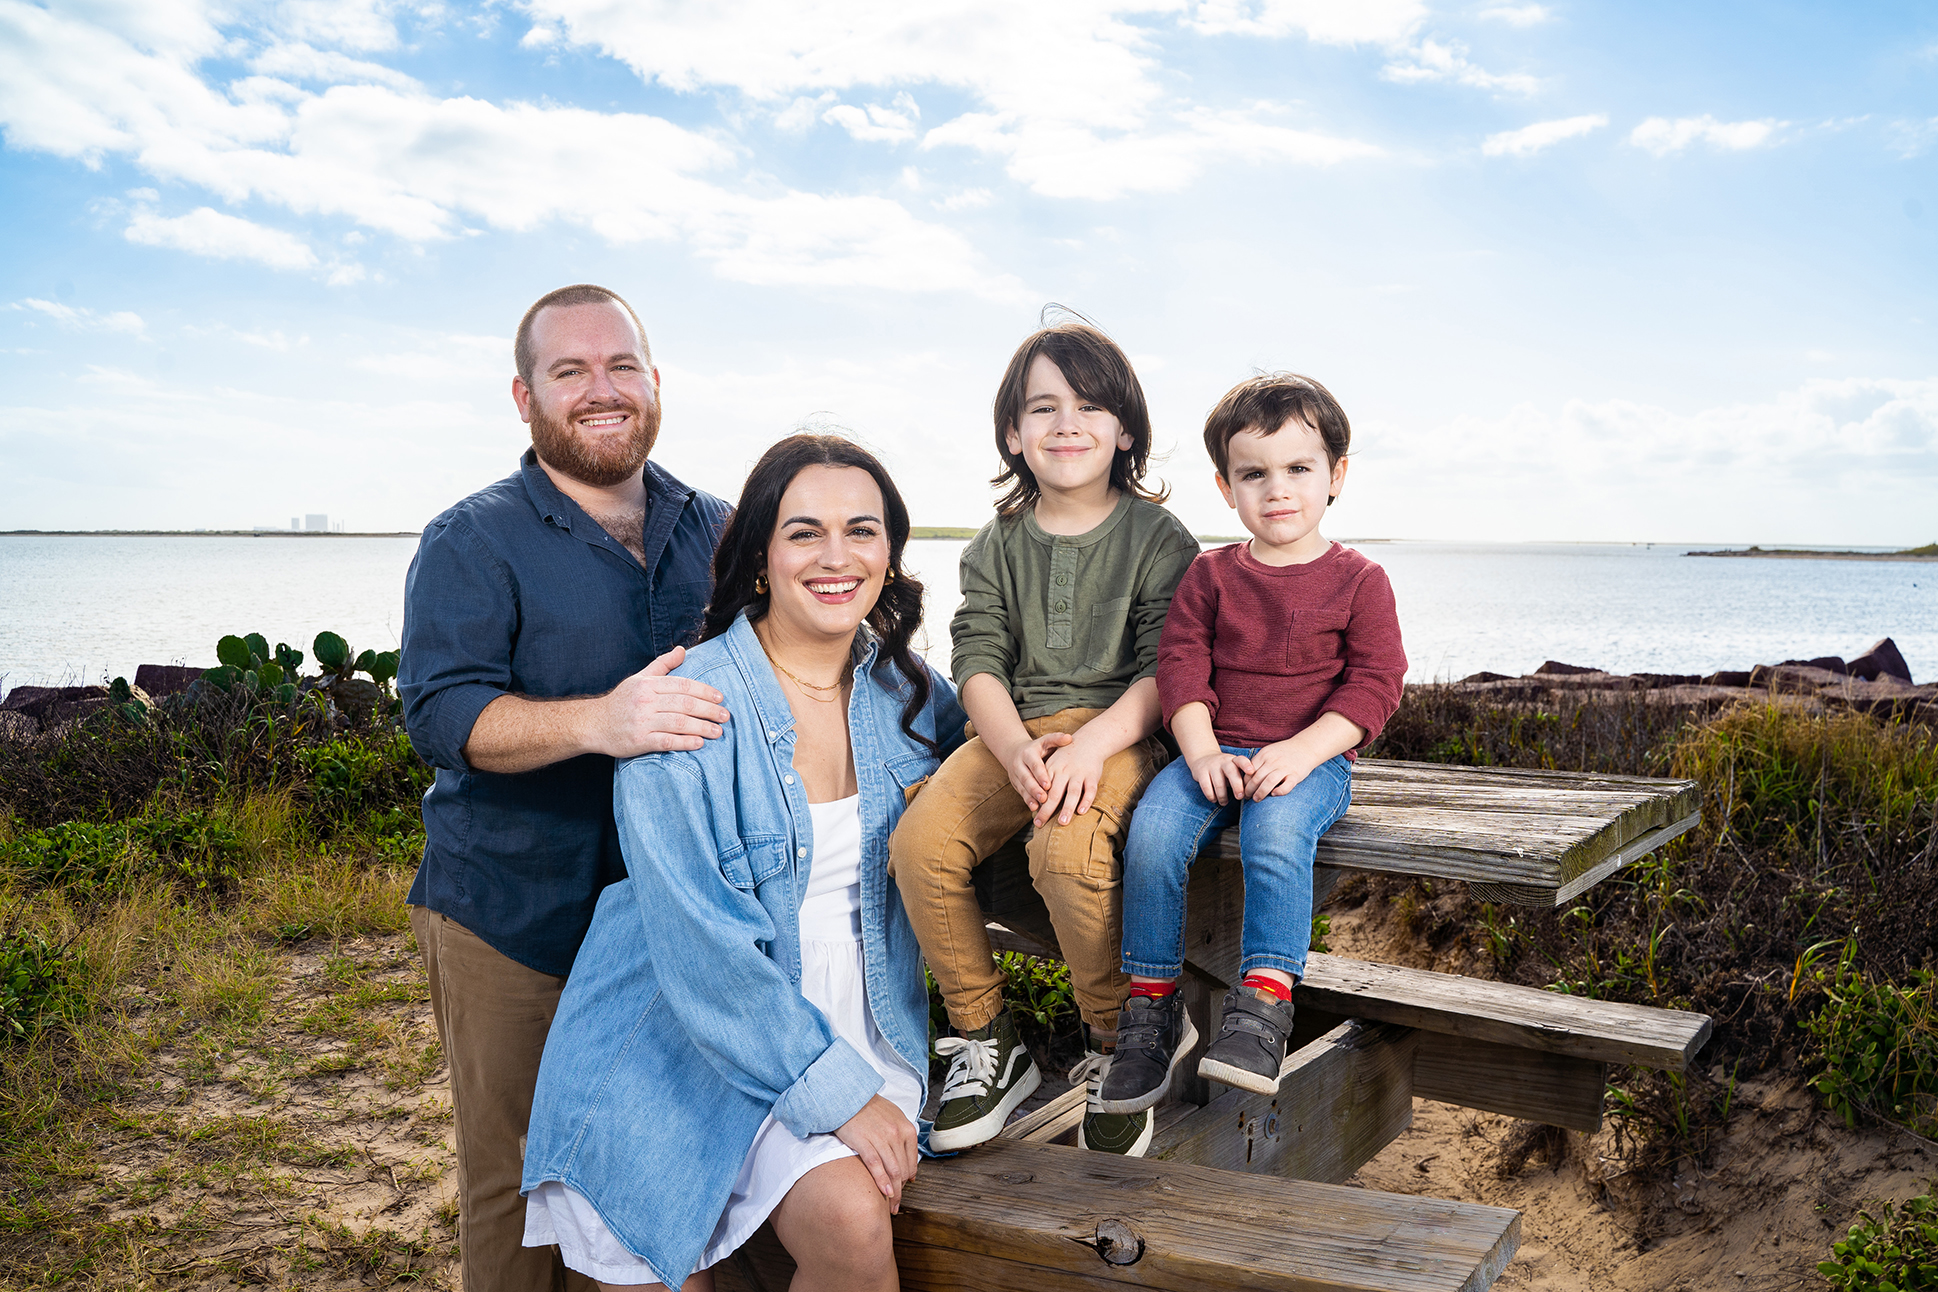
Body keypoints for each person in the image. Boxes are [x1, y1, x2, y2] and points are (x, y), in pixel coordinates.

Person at [520, 434, 965, 1291]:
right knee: (838, 1216)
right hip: (687, 1034)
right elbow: (702, 947)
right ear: (760, 555)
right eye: (804, 533)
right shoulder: (685, 707)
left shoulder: (911, 695)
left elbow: (983, 809)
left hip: (867, 1016)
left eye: (862, 531)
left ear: (890, 553)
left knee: (851, 1222)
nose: (837, 557)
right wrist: (833, 1092)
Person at [397, 284, 732, 1292]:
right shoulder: (472, 537)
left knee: (636, 1161)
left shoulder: (720, 526)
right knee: (514, 1175)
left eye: (622, 364)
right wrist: (598, 721)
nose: (602, 389)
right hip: (511, 911)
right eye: (571, 370)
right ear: (525, 395)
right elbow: (442, 716)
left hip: (668, 916)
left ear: (655, 381)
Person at [888, 317, 1200, 1157]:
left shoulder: (1158, 540)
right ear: (1013, 434)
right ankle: (989, 1036)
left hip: (1122, 735)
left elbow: (1165, 669)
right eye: (1044, 407)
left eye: (1092, 406)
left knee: (1062, 853)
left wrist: (1094, 745)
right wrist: (1015, 747)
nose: (1068, 423)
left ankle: (1122, 1042)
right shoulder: (994, 547)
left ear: (1125, 429)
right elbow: (978, 660)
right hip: (1014, 735)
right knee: (920, 841)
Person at [1097, 373, 1407, 1114]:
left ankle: (1265, 1002)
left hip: (1312, 760)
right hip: (1213, 748)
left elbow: (1375, 684)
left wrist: (1302, 752)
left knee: (1274, 834)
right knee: (1154, 833)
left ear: (1335, 475)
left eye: (1299, 468)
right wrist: (1200, 752)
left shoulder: (1361, 581)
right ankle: (1152, 1009)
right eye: (1254, 473)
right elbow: (1181, 666)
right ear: (1225, 485)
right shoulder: (1210, 576)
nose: (1278, 489)